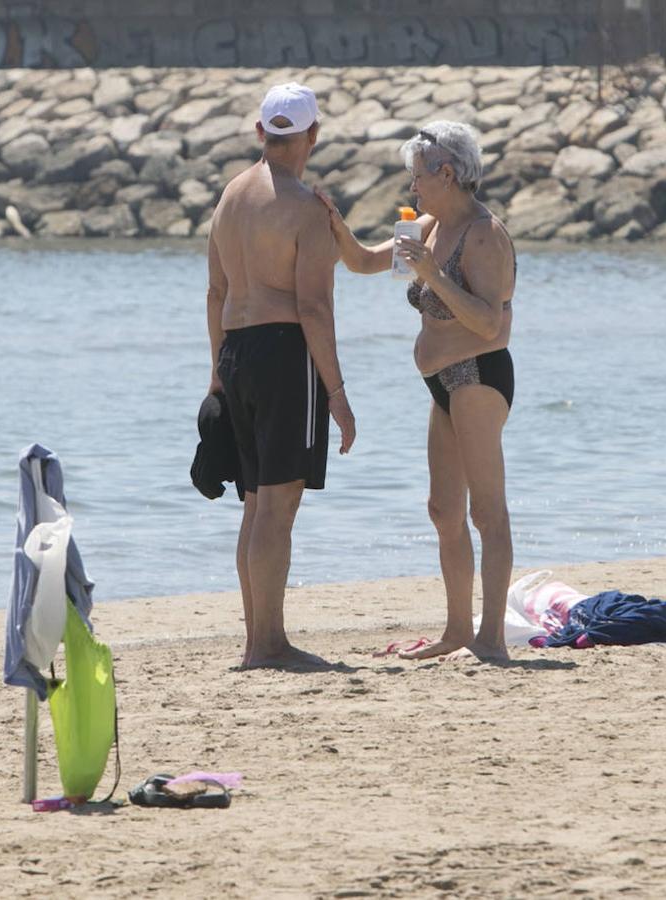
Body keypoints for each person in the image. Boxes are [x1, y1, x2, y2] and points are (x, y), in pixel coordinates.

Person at [316, 121, 516, 661]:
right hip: (440, 384)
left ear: (446, 173)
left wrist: (434, 273)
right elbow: (361, 262)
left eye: (418, 176)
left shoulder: (484, 234)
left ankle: (491, 637)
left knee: (486, 513)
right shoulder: (425, 225)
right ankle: (456, 631)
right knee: (443, 510)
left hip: (477, 375)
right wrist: (332, 223)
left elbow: (489, 325)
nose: (413, 187)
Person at [206, 82, 357, 669]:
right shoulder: (302, 208)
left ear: (261, 133)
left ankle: (256, 639)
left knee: (255, 503)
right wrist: (338, 395)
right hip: (285, 356)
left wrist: (216, 374)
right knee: (278, 504)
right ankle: (268, 644)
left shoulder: (230, 197)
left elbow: (215, 292)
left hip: (236, 353)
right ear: (313, 135)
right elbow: (315, 308)